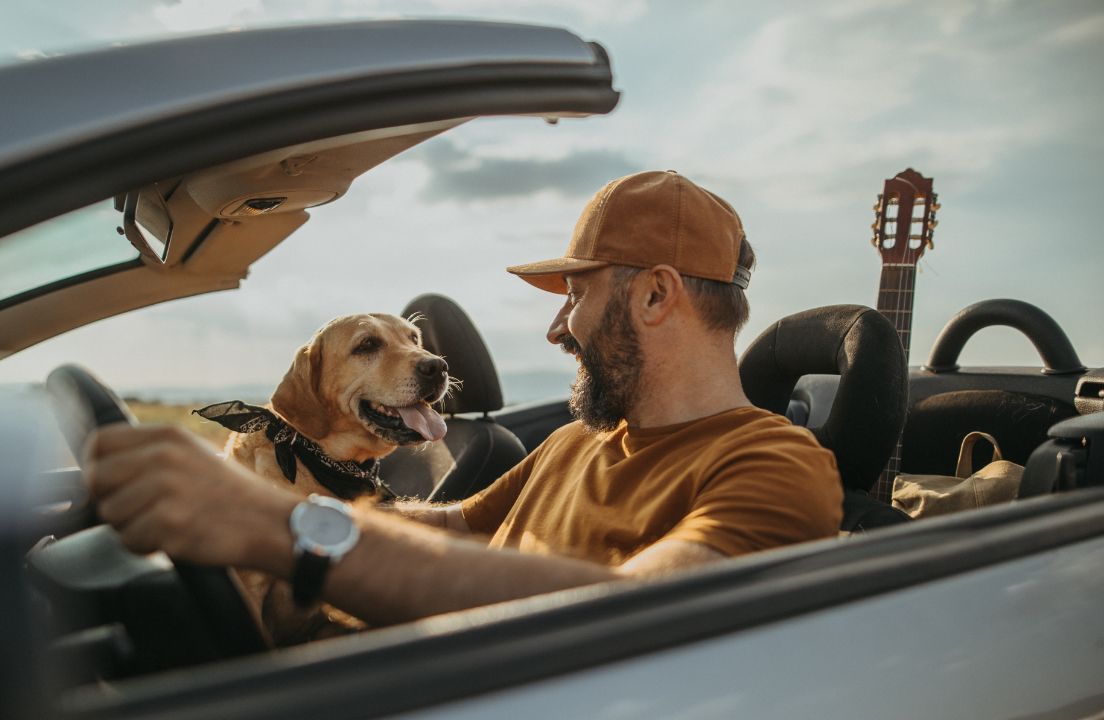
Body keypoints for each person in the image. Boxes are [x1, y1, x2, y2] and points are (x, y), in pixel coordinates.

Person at [86, 170, 843, 628]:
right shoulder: (578, 441)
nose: (557, 328)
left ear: (653, 295)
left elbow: (630, 614)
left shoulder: (774, 464)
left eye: (575, 295)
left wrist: (283, 528)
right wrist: (293, 479)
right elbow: (454, 524)